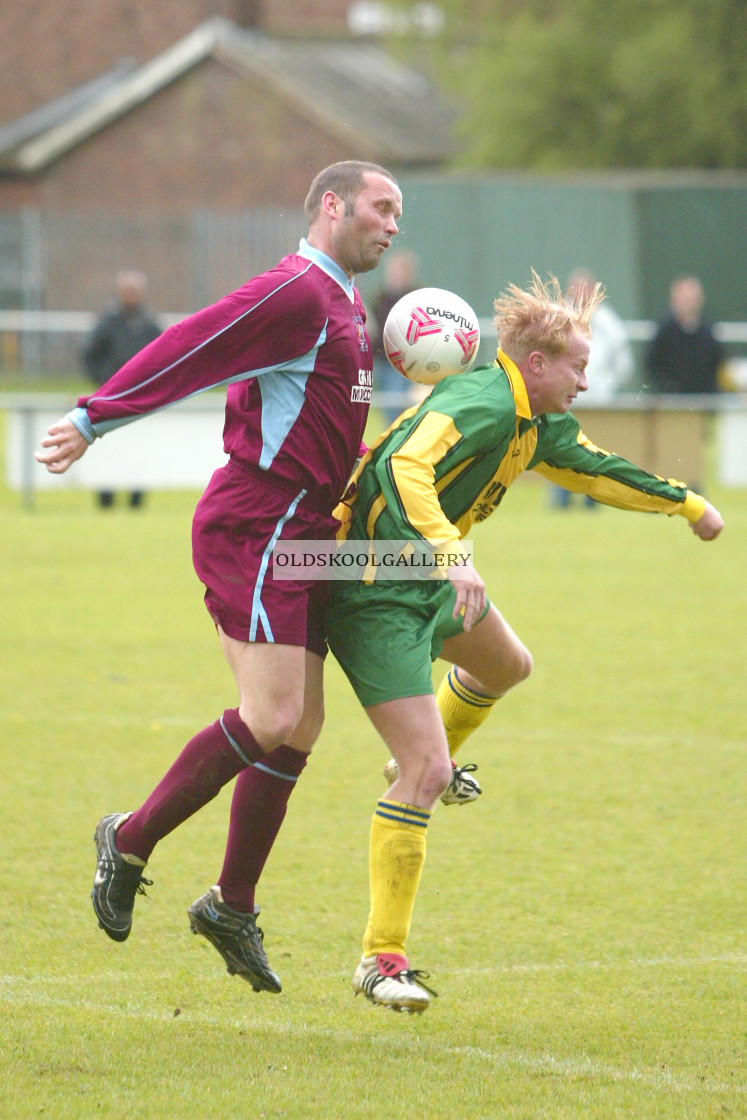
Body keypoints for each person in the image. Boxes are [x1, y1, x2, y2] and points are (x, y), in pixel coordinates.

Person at [36, 160, 403, 994]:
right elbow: (193, 343)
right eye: (382, 208)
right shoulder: (299, 290)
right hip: (259, 521)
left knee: (300, 725)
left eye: (399, 214)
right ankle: (128, 837)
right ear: (331, 205)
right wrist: (96, 417)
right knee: (270, 713)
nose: (391, 224)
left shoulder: (347, 301)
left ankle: (230, 904)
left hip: (309, 528)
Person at [324, 272, 724, 1013]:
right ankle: (380, 960)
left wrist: (686, 504)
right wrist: (451, 552)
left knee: (507, 664)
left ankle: (420, 755)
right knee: (423, 776)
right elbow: (401, 464)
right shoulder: (479, 401)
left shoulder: (534, 422)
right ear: (535, 364)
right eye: (576, 364)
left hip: (424, 574)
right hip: (373, 583)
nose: (584, 377)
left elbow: (597, 471)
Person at [551, 268, 635, 509]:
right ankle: (561, 499)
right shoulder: (558, 318)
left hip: (599, 400)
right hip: (563, 400)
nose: (581, 294)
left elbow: (623, 360)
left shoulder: (608, 321)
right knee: (560, 447)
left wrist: (608, 386)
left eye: (586, 288)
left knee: (594, 450)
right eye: (577, 288)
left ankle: (593, 499)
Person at [81, 269, 162, 508]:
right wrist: (104, 384)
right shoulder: (106, 323)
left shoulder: (149, 324)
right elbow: (89, 355)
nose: (131, 295)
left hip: (141, 401)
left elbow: (165, 356)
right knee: (108, 448)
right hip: (110, 401)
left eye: (135, 291)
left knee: (139, 450)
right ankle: (105, 500)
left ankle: (137, 500)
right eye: (127, 291)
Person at [368, 249, 421, 427]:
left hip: (401, 362)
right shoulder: (381, 296)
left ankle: (396, 436)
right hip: (381, 359)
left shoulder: (414, 297)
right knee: (384, 403)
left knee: (395, 403)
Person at [645, 275, 723, 394]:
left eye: (692, 299)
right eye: (684, 299)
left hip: (704, 398)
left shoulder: (708, 331)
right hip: (673, 400)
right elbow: (652, 364)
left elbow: (717, 362)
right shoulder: (664, 331)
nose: (688, 304)